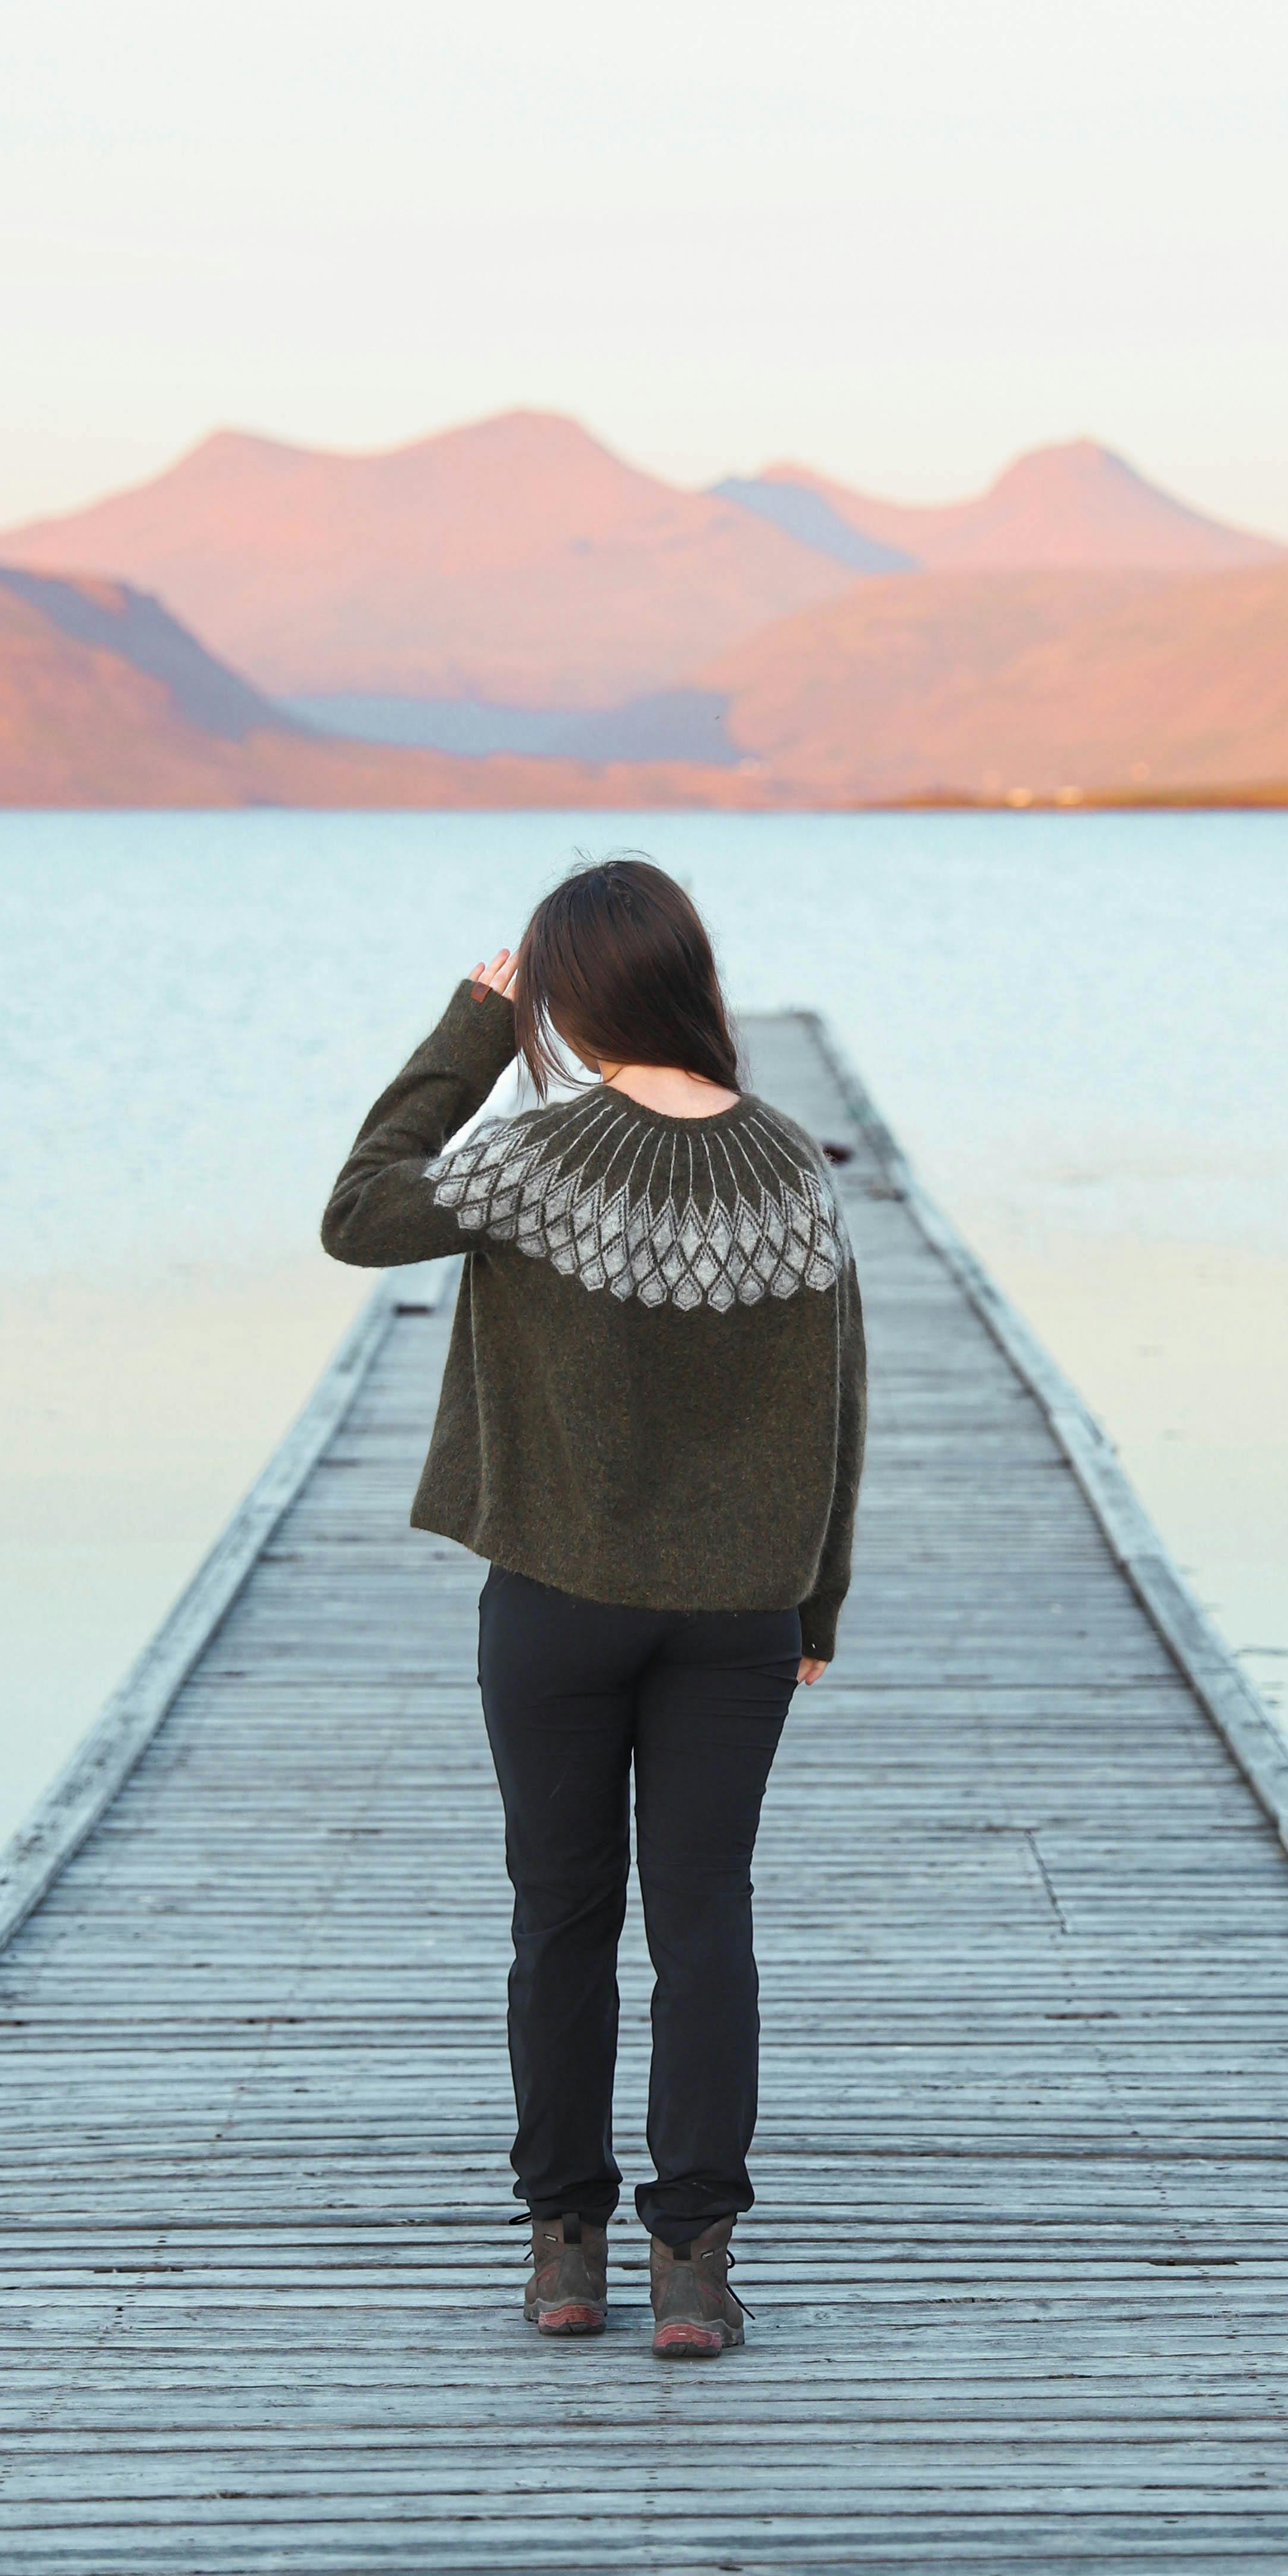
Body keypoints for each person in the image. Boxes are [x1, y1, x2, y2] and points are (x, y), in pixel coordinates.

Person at [321, 858, 865, 2358]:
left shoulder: (529, 1158)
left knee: (560, 1916)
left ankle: (565, 2253)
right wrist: (815, 1602)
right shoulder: (786, 1166)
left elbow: (358, 1211)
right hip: (735, 1614)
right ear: (687, 977)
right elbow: (841, 1398)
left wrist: (471, 1033)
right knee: (705, 1922)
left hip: (555, 1601)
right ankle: (693, 2262)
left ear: (565, 995)